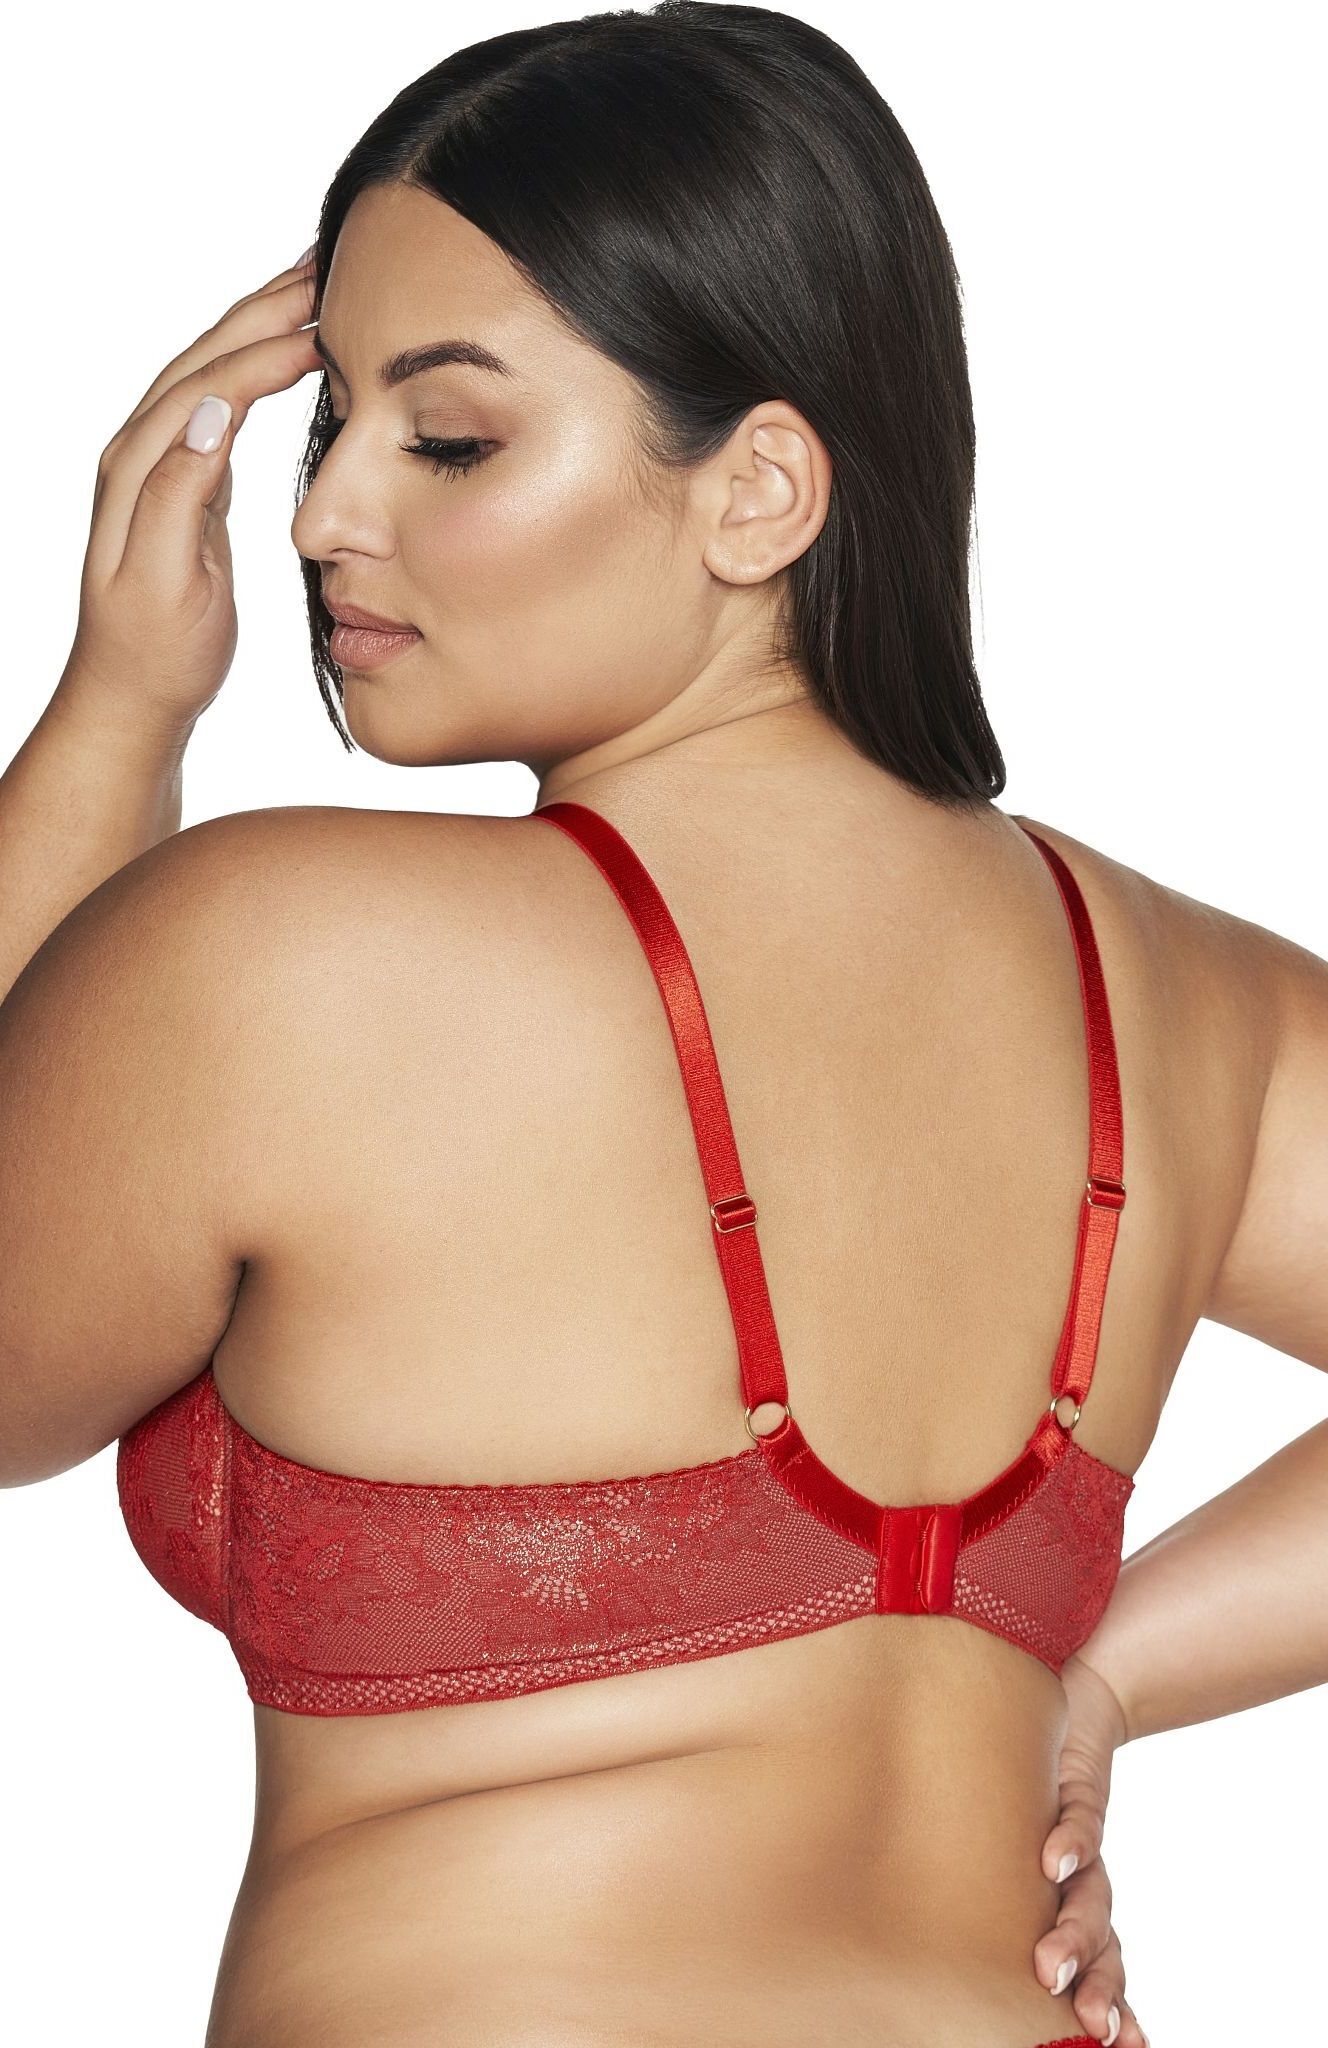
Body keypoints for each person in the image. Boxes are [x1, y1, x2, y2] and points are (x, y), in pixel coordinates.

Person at [1, 6, 1323, 2045]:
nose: (325, 511)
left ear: (759, 491)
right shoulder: (1190, 996)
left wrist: (114, 710)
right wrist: (1101, 1678)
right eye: (328, 420)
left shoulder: (279, 952)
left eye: (446, 438)